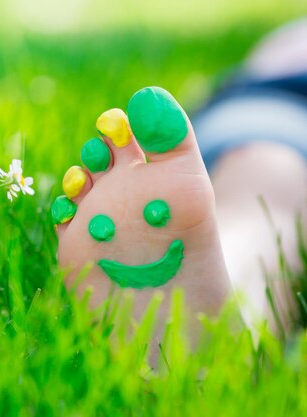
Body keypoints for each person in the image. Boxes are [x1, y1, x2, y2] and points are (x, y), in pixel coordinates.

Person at [52, 18, 307, 341]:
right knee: (264, 184)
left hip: (268, 107)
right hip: (287, 106)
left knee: (262, 199)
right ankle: (232, 330)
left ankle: (234, 334)